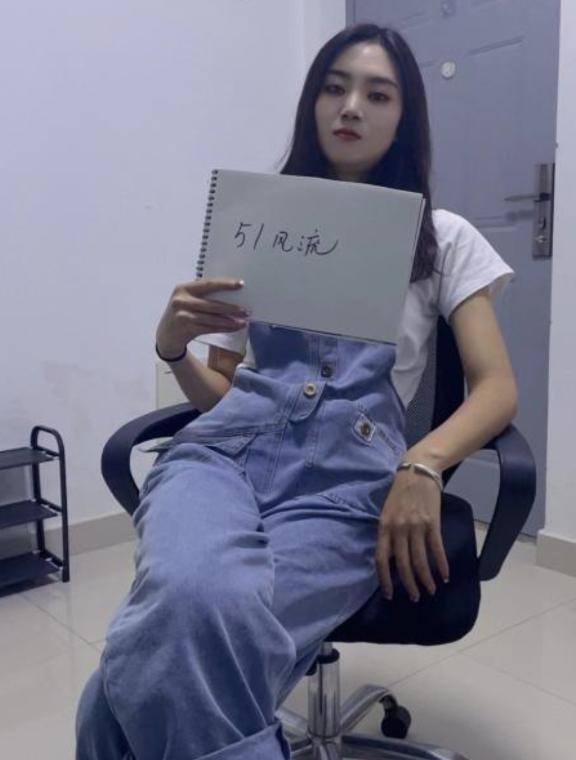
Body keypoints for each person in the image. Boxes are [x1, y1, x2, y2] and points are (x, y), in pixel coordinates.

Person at [76, 23, 517, 760]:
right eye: (334, 87)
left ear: (404, 117)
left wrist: (423, 463)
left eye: (378, 94)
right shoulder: (259, 221)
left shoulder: (443, 238)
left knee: (125, 681)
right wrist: (173, 348)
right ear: (313, 103)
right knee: (187, 615)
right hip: (222, 454)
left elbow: (496, 387)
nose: (351, 106)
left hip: (347, 482)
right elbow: (223, 392)